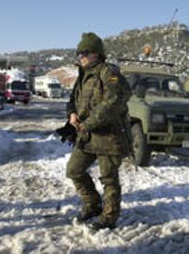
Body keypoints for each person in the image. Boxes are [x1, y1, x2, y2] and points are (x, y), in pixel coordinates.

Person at [66, 32, 131, 230]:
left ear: (97, 53)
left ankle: (109, 217)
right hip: (86, 135)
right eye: (79, 52)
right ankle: (93, 204)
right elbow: (73, 100)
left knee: (109, 179)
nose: (81, 56)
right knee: (74, 170)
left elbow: (112, 102)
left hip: (109, 136)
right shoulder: (83, 74)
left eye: (86, 52)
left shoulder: (108, 72)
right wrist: (72, 114)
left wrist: (89, 123)